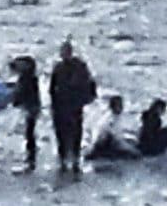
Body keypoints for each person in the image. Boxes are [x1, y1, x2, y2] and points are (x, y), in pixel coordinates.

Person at [48, 41, 98, 172]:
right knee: (61, 133)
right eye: (62, 52)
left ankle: (75, 158)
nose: (64, 54)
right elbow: (52, 88)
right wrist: (53, 104)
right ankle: (63, 158)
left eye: (65, 52)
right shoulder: (58, 67)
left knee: (75, 132)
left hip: (75, 104)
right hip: (61, 105)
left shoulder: (80, 67)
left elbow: (90, 83)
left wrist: (88, 97)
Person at [9, 55, 42, 170]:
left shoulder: (27, 79)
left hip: (30, 108)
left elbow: (23, 93)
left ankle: (31, 158)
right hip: (32, 107)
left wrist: (16, 99)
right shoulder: (30, 78)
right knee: (29, 132)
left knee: (29, 133)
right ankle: (30, 156)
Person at [87, 94, 139, 160]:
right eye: (119, 106)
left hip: (106, 143)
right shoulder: (111, 119)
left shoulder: (113, 116)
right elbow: (117, 140)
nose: (122, 108)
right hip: (103, 146)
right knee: (135, 155)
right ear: (113, 106)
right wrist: (131, 149)